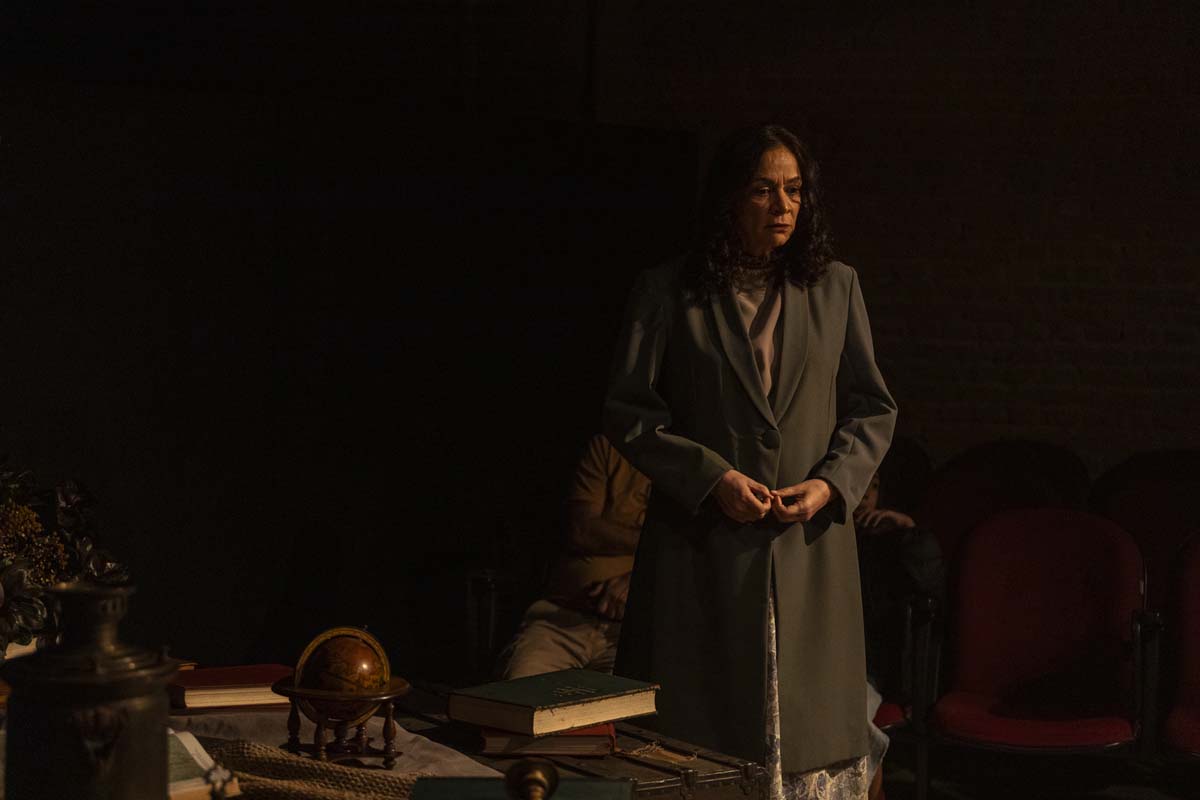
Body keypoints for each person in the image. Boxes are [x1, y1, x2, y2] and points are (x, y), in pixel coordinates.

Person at [603, 124, 896, 800]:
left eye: (794, 190)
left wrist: (830, 484)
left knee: (811, 734)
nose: (783, 205)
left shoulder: (836, 287)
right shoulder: (668, 291)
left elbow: (872, 409)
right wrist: (712, 478)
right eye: (764, 190)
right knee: (698, 743)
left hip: (808, 551)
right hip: (701, 550)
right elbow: (629, 412)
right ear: (729, 198)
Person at [495, 434, 651, 679]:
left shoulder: (696, 468)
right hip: (563, 616)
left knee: (624, 697)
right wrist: (652, 541)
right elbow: (581, 529)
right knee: (520, 686)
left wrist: (640, 580)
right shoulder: (614, 445)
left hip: (633, 630)